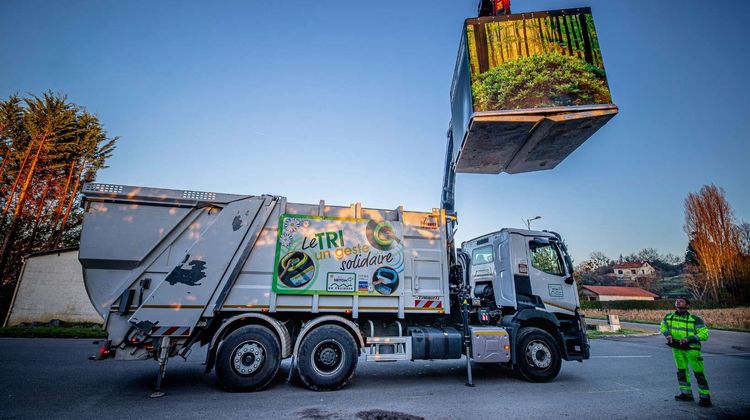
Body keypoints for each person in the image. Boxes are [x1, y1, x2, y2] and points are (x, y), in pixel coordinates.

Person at [659, 297, 711, 407]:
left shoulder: (695, 319)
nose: (678, 302)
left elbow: (704, 334)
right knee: (682, 372)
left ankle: (705, 398)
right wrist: (667, 334)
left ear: (687, 306)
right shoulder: (669, 317)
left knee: (699, 374)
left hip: (692, 350)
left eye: (681, 301)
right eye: (676, 300)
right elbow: (663, 326)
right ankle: (686, 394)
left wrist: (689, 339)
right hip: (677, 349)